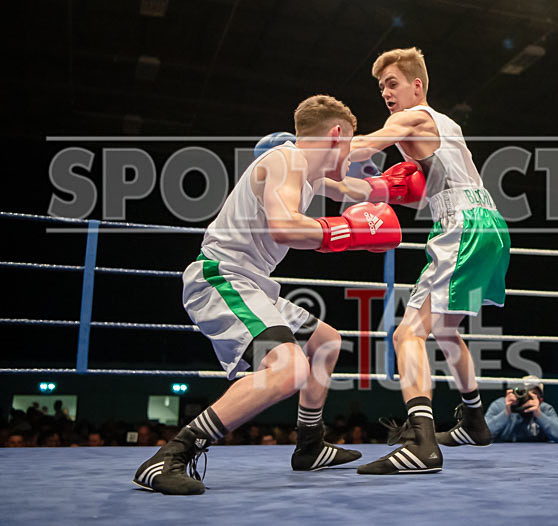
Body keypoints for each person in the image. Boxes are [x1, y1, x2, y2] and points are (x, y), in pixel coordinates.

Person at [133, 94, 404, 495]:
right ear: (334, 135)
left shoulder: (309, 172)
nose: (352, 153)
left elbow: (352, 185)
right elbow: (284, 226)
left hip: (251, 283)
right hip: (221, 278)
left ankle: (310, 445)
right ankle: (170, 456)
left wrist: (396, 190)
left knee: (326, 342)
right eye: (348, 144)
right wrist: (344, 232)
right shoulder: (285, 161)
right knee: (288, 369)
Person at [349, 47, 511, 474]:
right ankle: (475, 419)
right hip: (491, 223)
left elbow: (364, 146)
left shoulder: (410, 118)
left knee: (408, 334)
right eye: (381, 85)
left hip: (463, 226)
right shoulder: (447, 123)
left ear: (416, 85)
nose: (386, 92)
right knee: (445, 328)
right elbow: (422, 187)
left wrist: (304, 152)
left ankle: (421, 440)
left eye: (393, 82)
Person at [484, 377, 558, 443]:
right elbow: (481, 435)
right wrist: (506, 413)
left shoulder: (545, 409)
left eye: (533, 394)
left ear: (540, 400)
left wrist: (539, 415)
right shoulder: (501, 405)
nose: (527, 397)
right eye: (524, 392)